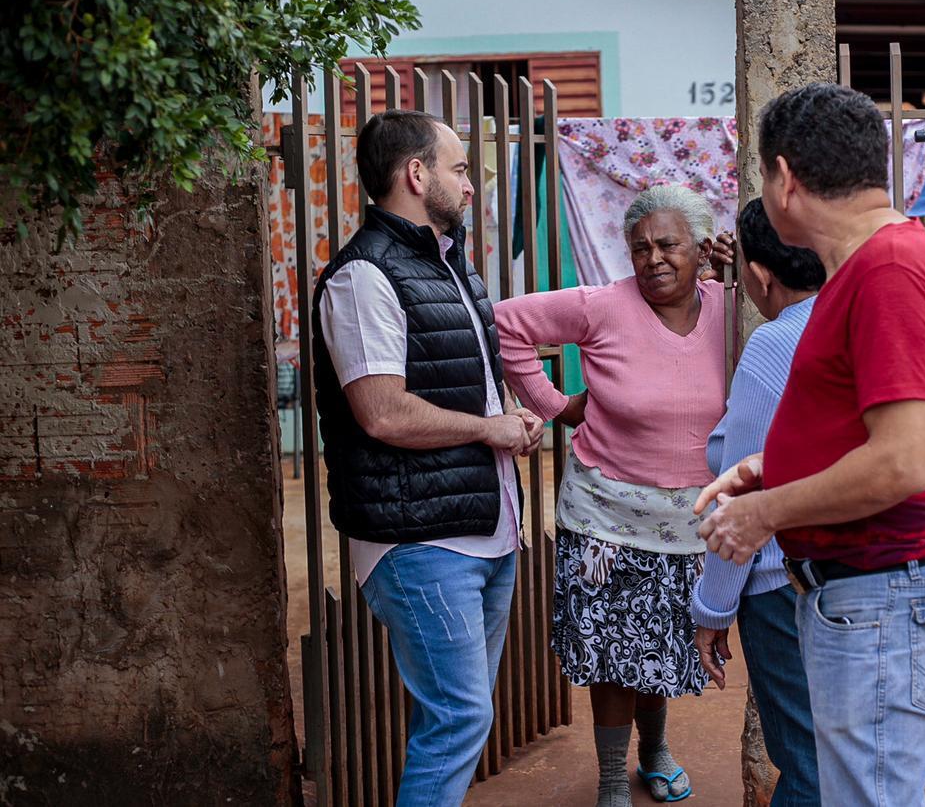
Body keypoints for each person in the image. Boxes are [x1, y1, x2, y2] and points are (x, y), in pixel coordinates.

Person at [695, 84, 925, 806]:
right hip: (867, 591)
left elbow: (901, 462)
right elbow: (871, 435)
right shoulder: (874, 266)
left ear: (784, 178)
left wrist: (765, 512)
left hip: (877, 586)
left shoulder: (886, 271)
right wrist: (771, 468)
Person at [313, 109, 543, 806]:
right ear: (416, 174)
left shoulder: (447, 261)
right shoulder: (364, 277)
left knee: (458, 718)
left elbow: (465, 382)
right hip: (420, 541)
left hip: (484, 529)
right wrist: (488, 429)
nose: (470, 185)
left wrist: (510, 418)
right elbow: (382, 412)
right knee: (460, 718)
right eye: (460, 169)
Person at [496, 184, 732, 807]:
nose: (653, 259)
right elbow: (506, 324)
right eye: (640, 247)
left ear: (702, 248)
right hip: (604, 518)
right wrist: (556, 406)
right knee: (610, 653)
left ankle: (654, 752)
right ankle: (609, 778)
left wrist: (742, 273)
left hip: (688, 522)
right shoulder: (603, 306)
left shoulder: (734, 309)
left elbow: (801, 308)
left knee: (658, 647)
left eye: (668, 245)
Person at [691, 198, 824, 806]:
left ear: (761, 274)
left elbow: (739, 501)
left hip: (783, 587)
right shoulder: (859, 323)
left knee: (804, 763)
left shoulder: (774, 343)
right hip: (862, 579)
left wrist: (713, 609)